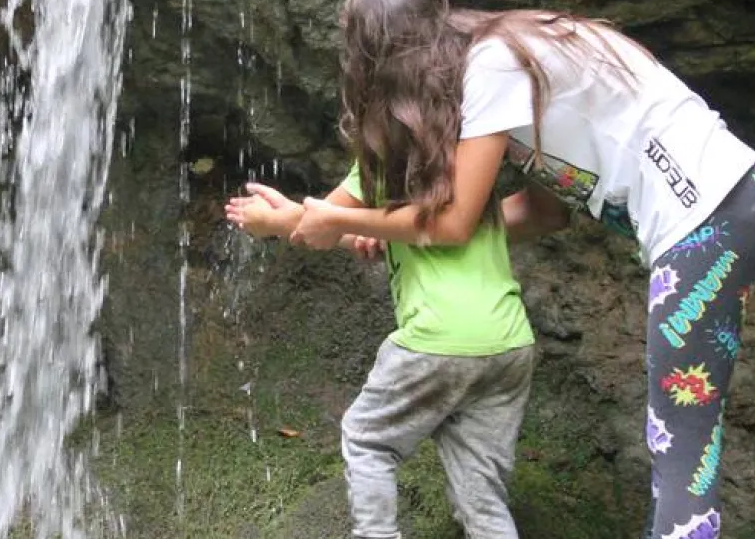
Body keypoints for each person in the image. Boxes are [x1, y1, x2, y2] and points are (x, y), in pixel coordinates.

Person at [261, 0, 755, 539]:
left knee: (678, 436)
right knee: (676, 436)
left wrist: (347, 218)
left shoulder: (493, 66)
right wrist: (396, 233)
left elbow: (455, 222)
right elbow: (543, 211)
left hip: (711, 213)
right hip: (728, 207)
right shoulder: (505, 66)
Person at [226, 154, 538, 533]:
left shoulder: (383, 153)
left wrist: (272, 221)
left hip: (436, 339)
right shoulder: (470, 160)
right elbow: (366, 228)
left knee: (368, 440)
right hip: (509, 342)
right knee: (482, 496)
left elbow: (318, 223)